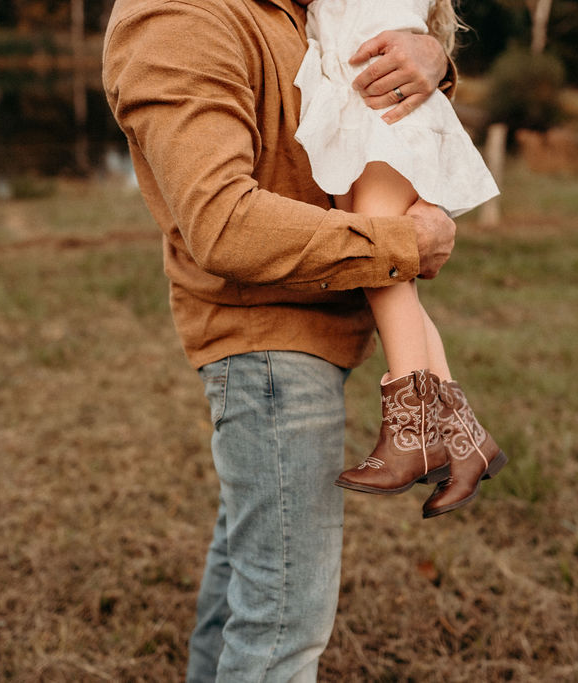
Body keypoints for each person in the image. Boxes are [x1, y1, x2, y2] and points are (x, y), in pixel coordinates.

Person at [102, 0, 459, 679]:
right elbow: (222, 222)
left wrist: (431, 58)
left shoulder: (296, 8)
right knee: (282, 626)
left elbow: (359, 89)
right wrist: (398, 243)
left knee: (249, 579)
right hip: (268, 352)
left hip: (304, 339)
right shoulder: (180, 17)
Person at [293, 0, 507, 518]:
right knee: (392, 283)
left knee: (383, 275)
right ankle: (465, 442)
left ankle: (412, 439)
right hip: (373, 120)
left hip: (381, 123)